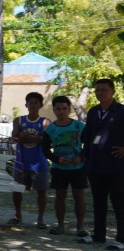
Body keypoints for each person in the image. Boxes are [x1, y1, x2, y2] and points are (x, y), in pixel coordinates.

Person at [78, 79, 124, 250]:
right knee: (98, 201)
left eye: (104, 90)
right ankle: (99, 235)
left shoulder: (121, 111)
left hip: (116, 165)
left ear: (112, 91)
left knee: (119, 202)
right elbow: (88, 135)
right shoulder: (93, 111)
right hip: (95, 164)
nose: (100, 93)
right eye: (97, 90)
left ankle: (121, 238)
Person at [42, 95, 87, 237]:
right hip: (59, 169)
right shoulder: (50, 129)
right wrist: (56, 159)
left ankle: (80, 227)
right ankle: (60, 226)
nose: (61, 111)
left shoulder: (80, 126)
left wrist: (81, 157)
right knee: (60, 196)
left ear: (69, 109)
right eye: (58, 109)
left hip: (78, 168)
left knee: (79, 196)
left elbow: (89, 145)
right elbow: (45, 150)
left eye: (64, 108)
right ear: (54, 110)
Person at [9, 92, 50, 228]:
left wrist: (25, 136)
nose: (33, 105)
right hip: (21, 161)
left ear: (40, 105)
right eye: (30, 102)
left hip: (39, 162)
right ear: (26, 104)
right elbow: (15, 138)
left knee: (42, 191)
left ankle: (41, 219)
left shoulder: (45, 122)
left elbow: (45, 140)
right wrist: (35, 138)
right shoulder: (18, 120)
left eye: (36, 102)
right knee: (17, 189)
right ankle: (18, 214)